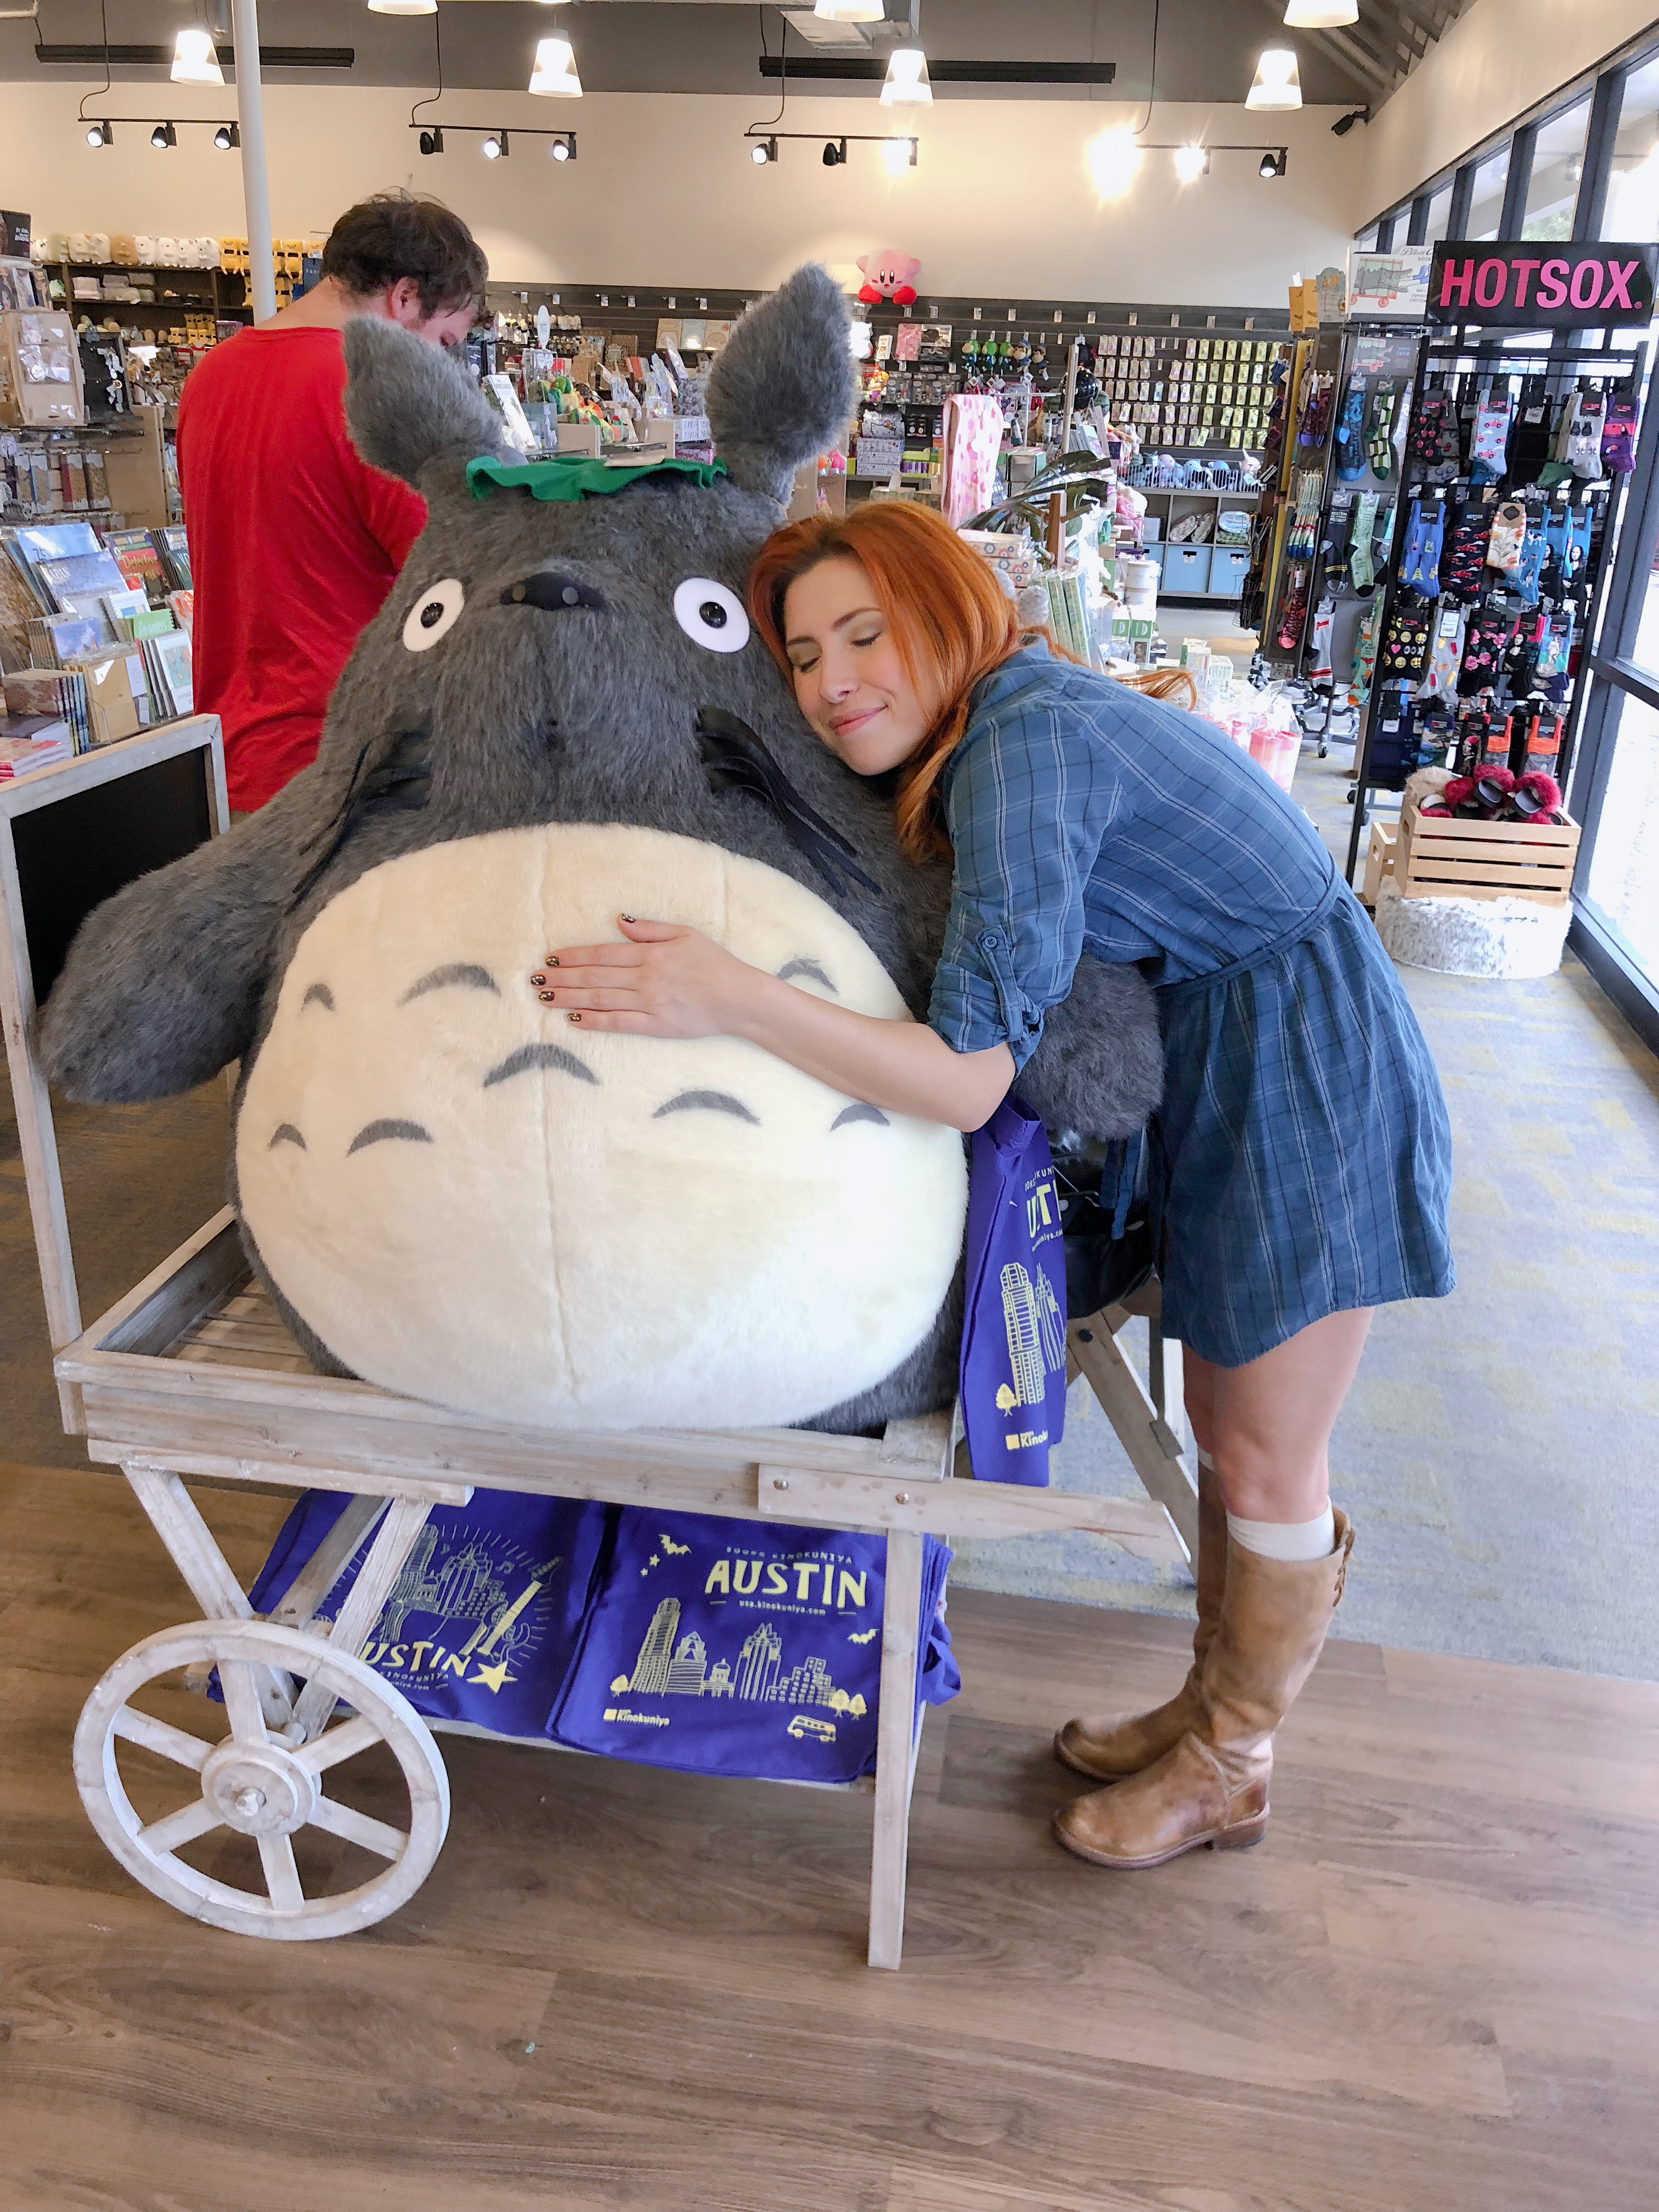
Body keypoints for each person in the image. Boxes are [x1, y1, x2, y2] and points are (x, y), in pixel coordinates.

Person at [527, 501, 1454, 1874]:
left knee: (1268, 1448)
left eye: (865, 635)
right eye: (802, 656)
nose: (831, 682)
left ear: (947, 611)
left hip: (1305, 1066)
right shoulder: (1006, 720)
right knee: (1221, 1417)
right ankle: (1212, 1714)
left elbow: (964, 1079)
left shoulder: (1021, 748)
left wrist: (725, 993)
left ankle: (1234, 1761)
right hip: (1232, 1045)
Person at [176, 190, 486, 812]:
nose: (443, 365)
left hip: (233, 757)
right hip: (352, 768)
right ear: (404, 298)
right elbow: (460, 583)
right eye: (445, 342)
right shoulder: (377, 394)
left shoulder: (210, 377)